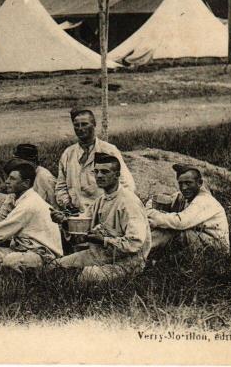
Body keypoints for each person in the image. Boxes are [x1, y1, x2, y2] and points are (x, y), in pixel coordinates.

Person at [51, 153, 150, 284]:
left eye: (104, 172)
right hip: (102, 254)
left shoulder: (128, 202)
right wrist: (64, 220)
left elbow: (134, 243)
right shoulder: (102, 199)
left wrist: (103, 240)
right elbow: (83, 221)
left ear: (117, 175)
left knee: (84, 278)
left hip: (128, 261)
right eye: (96, 172)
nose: (99, 176)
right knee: (56, 266)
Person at [55, 108, 135, 214]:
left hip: (105, 212)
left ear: (94, 124)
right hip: (77, 214)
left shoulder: (109, 150)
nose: (80, 128)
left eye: (84, 124)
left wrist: (112, 208)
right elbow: (61, 187)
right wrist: (68, 205)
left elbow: (127, 185)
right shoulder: (68, 154)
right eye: (76, 125)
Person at [147, 164, 229, 252]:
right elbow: (161, 199)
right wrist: (152, 207)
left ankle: (142, 249)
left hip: (217, 248)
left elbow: (180, 222)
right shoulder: (187, 195)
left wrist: (151, 214)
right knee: (165, 226)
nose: (184, 188)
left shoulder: (204, 200)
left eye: (188, 183)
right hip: (200, 239)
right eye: (180, 183)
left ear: (199, 183)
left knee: (174, 232)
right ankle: (143, 248)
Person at [13, 144, 57, 208]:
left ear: (34, 162)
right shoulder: (18, 174)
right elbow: (10, 201)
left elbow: (53, 205)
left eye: (24, 162)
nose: (21, 165)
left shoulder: (45, 177)